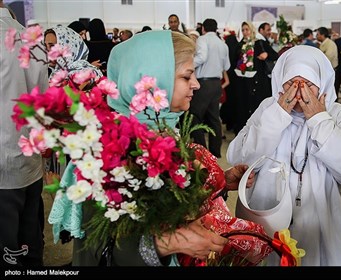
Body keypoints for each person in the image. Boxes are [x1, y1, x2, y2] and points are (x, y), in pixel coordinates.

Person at [49, 30, 254, 266]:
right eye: (187, 76)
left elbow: (169, 200)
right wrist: (170, 243)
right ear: (154, 81)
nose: (196, 84)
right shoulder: (109, 148)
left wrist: (219, 182)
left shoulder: (164, 132)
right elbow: (99, 244)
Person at [226, 45, 341, 266]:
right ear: (280, 83)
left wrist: (319, 120)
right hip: (269, 220)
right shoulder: (268, 108)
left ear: (322, 85)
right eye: (292, 84)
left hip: (320, 225)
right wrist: (276, 117)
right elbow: (238, 158)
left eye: (308, 85)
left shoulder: (336, 114)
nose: (300, 93)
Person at [0, 1, 48, 266]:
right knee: (30, 241)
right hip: (28, 160)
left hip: (2, 165)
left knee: (7, 251)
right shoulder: (33, 41)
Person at [188, 18, 230, 158]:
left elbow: (202, 57)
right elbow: (227, 66)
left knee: (194, 116)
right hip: (216, 83)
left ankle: (202, 151)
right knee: (214, 118)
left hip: (204, 84)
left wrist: (187, 64)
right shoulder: (222, 43)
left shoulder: (202, 39)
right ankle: (215, 151)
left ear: (203, 29)